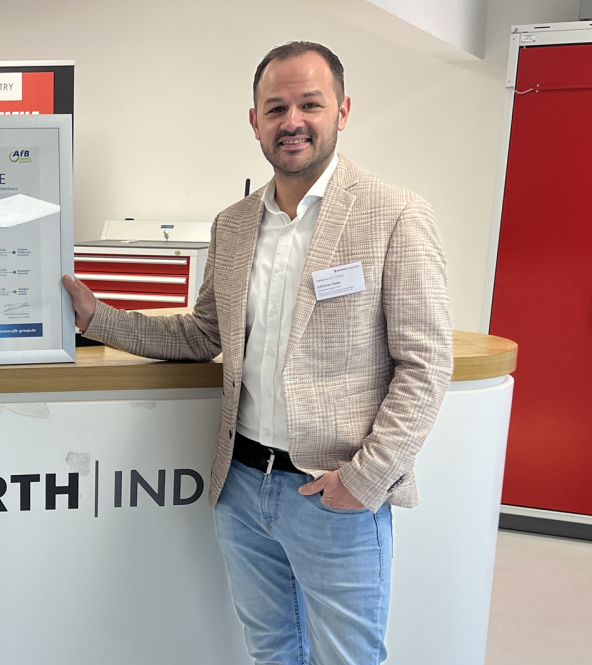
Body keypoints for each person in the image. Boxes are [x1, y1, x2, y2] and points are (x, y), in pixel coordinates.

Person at [63, 41, 452, 664]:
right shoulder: (235, 224)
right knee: (271, 650)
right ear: (254, 121)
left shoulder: (396, 215)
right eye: (275, 108)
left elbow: (425, 365)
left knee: (347, 658)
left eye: (310, 104)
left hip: (334, 492)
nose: (292, 121)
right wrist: (97, 319)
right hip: (242, 486)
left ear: (343, 111)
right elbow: (202, 335)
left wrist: (367, 478)